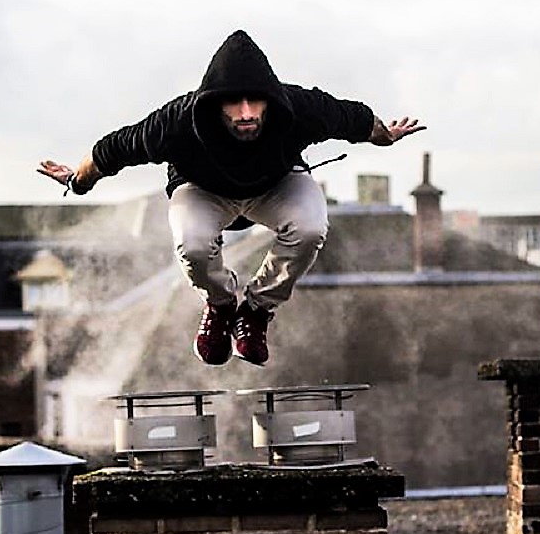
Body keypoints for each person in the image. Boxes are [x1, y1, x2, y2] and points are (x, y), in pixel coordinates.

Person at [38, 30, 424, 366]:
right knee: (191, 245)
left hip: (276, 184)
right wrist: (77, 180)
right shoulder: (177, 121)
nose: (245, 114)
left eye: (254, 103)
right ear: (213, 102)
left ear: (269, 99)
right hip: (203, 191)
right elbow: (111, 151)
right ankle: (221, 305)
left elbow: (354, 119)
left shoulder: (299, 108)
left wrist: (384, 136)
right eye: (233, 104)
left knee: (309, 228)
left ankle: (255, 310)